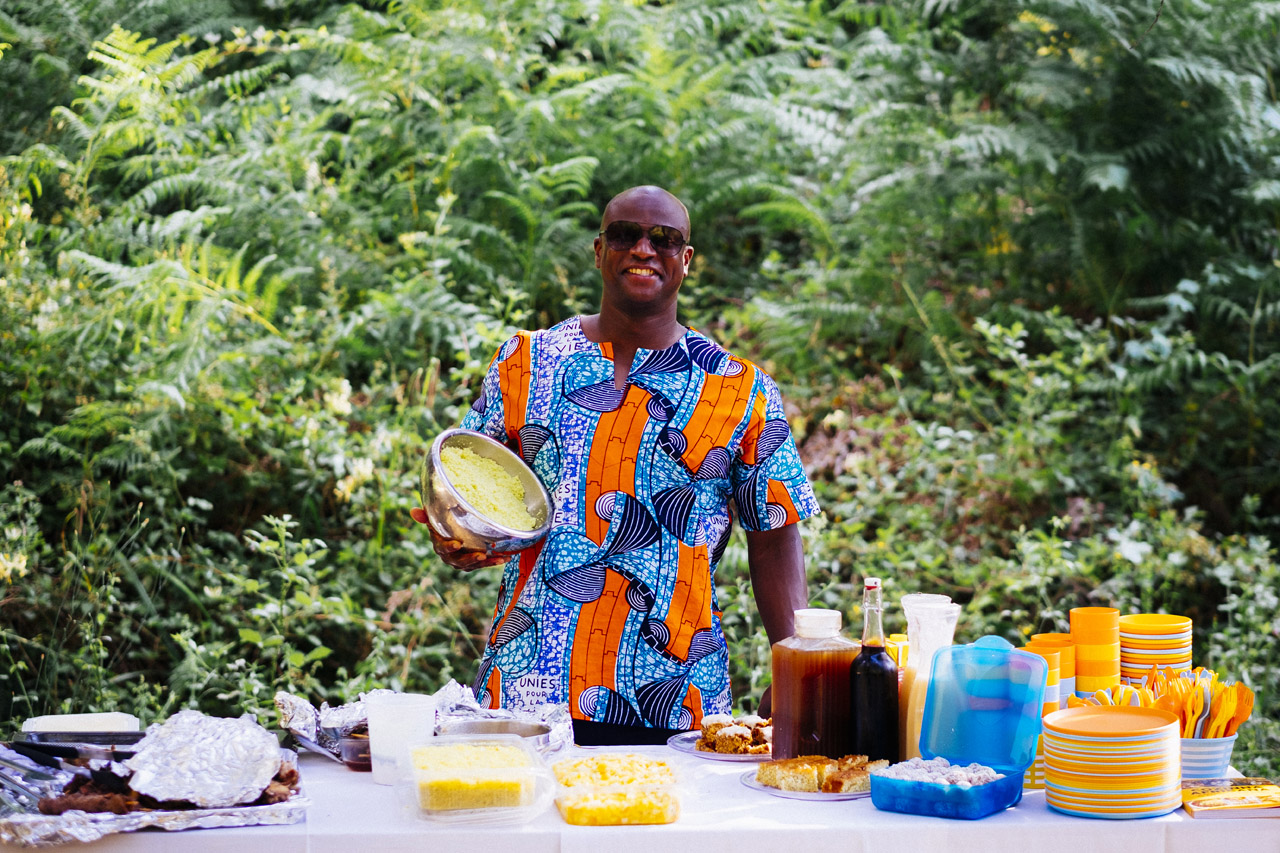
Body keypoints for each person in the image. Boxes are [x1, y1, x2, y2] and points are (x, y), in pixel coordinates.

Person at [412, 186, 819, 745]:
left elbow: (774, 535)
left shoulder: (739, 389)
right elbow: (475, 487)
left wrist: (794, 661)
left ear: (686, 260)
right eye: (626, 235)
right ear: (600, 250)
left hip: (677, 693)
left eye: (664, 239)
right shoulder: (527, 362)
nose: (643, 249)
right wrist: (458, 536)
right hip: (529, 681)